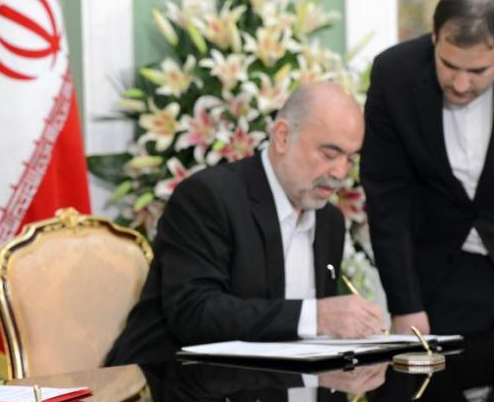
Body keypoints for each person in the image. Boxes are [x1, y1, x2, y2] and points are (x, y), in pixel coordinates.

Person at [106, 82, 384, 365]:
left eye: (350, 159)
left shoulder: (329, 220)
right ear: (283, 137)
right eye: (329, 155)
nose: (340, 173)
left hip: (280, 382)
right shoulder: (208, 197)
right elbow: (194, 314)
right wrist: (318, 317)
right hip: (168, 383)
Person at [361, 0, 494, 335]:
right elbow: (387, 198)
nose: (460, 84)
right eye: (449, 65)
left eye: (478, 71)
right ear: (434, 36)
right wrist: (405, 305)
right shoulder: (395, 74)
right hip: (438, 278)